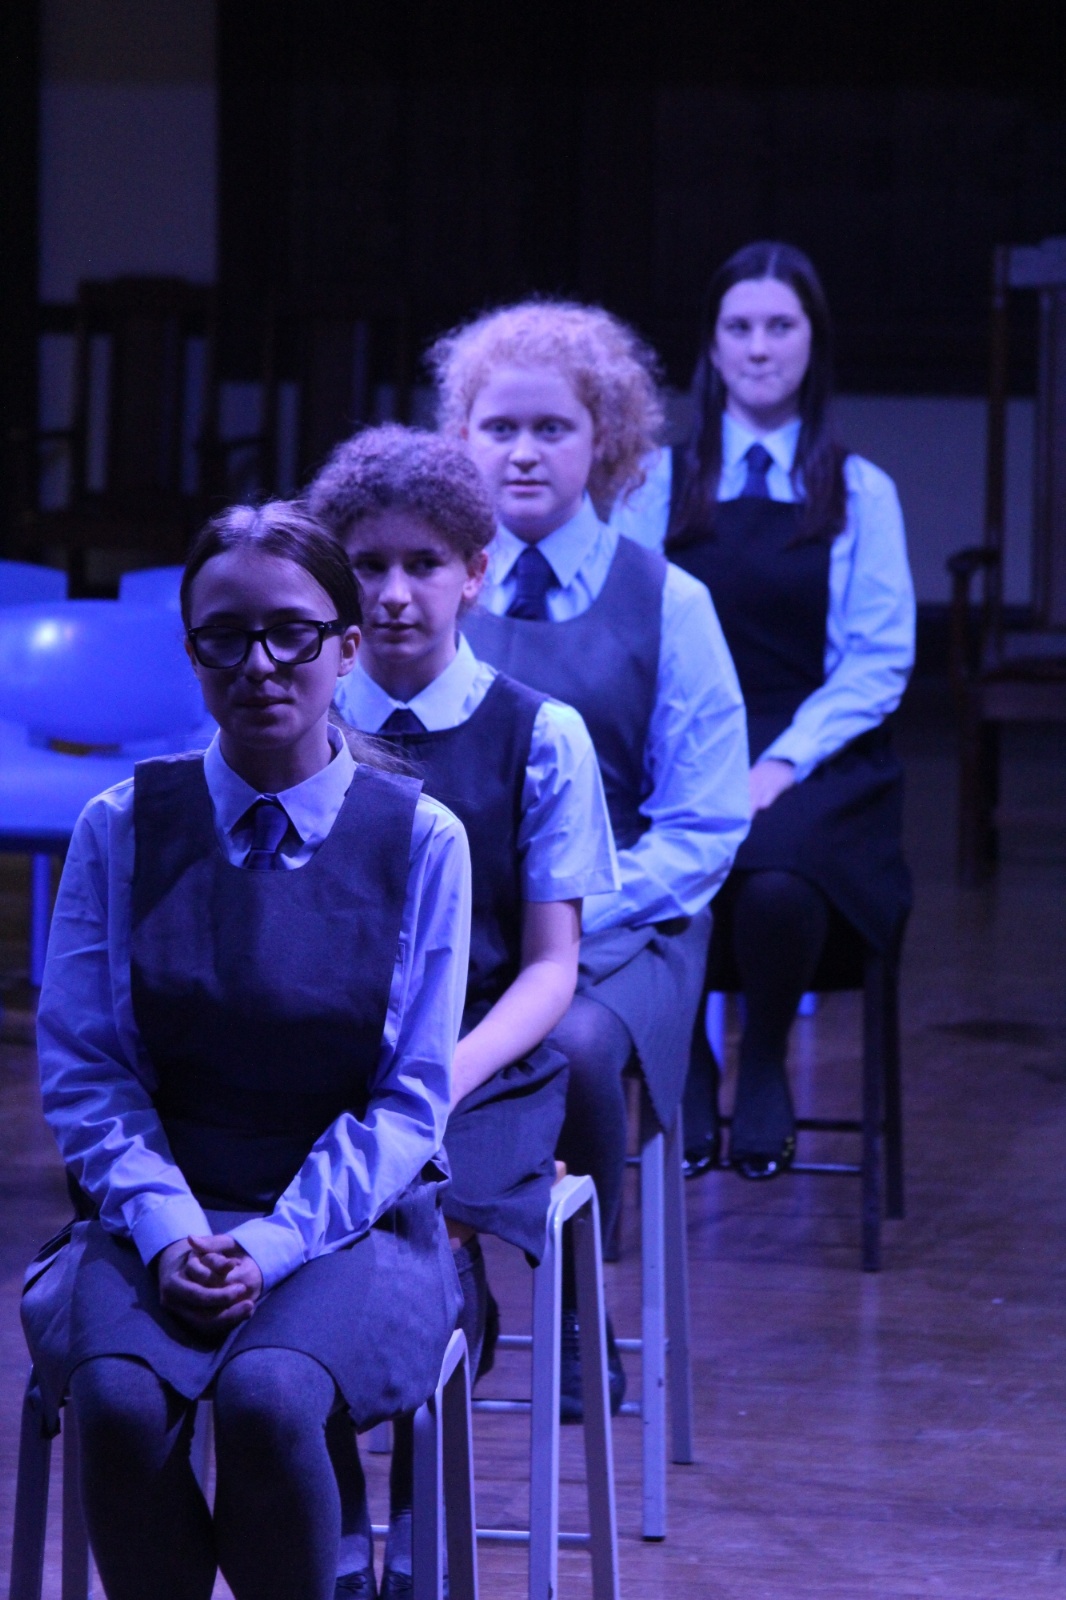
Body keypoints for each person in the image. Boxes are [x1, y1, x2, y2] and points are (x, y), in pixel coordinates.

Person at [21, 502, 470, 1600]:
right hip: (158, 1205)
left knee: (270, 1398)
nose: (259, 664)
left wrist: (271, 1244)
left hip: (350, 1220)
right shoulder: (122, 826)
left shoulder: (422, 840)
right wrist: (170, 1228)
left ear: (346, 647)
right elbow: (87, 1067)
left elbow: (409, 1101)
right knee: (120, 1402)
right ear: (191, 652)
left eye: (291, 634)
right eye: (224, 637)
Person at [308, 422, 618, 1590]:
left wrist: (442, 1072)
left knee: (424, 1228)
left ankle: (423, 1546)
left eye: (423, 563)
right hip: (330, 1049)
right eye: (368, 565)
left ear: (474, 573)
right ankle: (332, 1539)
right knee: (308, 1232)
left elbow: (549, 964)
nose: (393, 593)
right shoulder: (299, 720)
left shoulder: (539, 733)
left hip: (479, 1052)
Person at [428, 300, 750, 1411]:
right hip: (451, 917)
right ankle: (433, 1280)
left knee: (567, 1041)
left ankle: (577, 1306)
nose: (522, 452)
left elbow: (703, 825)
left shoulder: (669, 601)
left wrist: (556, 917)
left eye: (552, 428)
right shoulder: (427, 590)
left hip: (621, 926)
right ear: (460, 440)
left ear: (604, 443)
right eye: (498, 427)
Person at [610, 241, 915, 1178]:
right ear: (711, 345)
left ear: (812, 341)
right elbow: (625, 629)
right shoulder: (653, 484)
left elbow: (877, 660)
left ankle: (768, 1061)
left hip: (814, 748)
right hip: (682, 736)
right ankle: (687, 1062)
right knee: (659, 866)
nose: (758, 347)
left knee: (778, 880)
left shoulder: (859, 491)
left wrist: (781, 763)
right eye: (739, 327)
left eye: (780, 326)